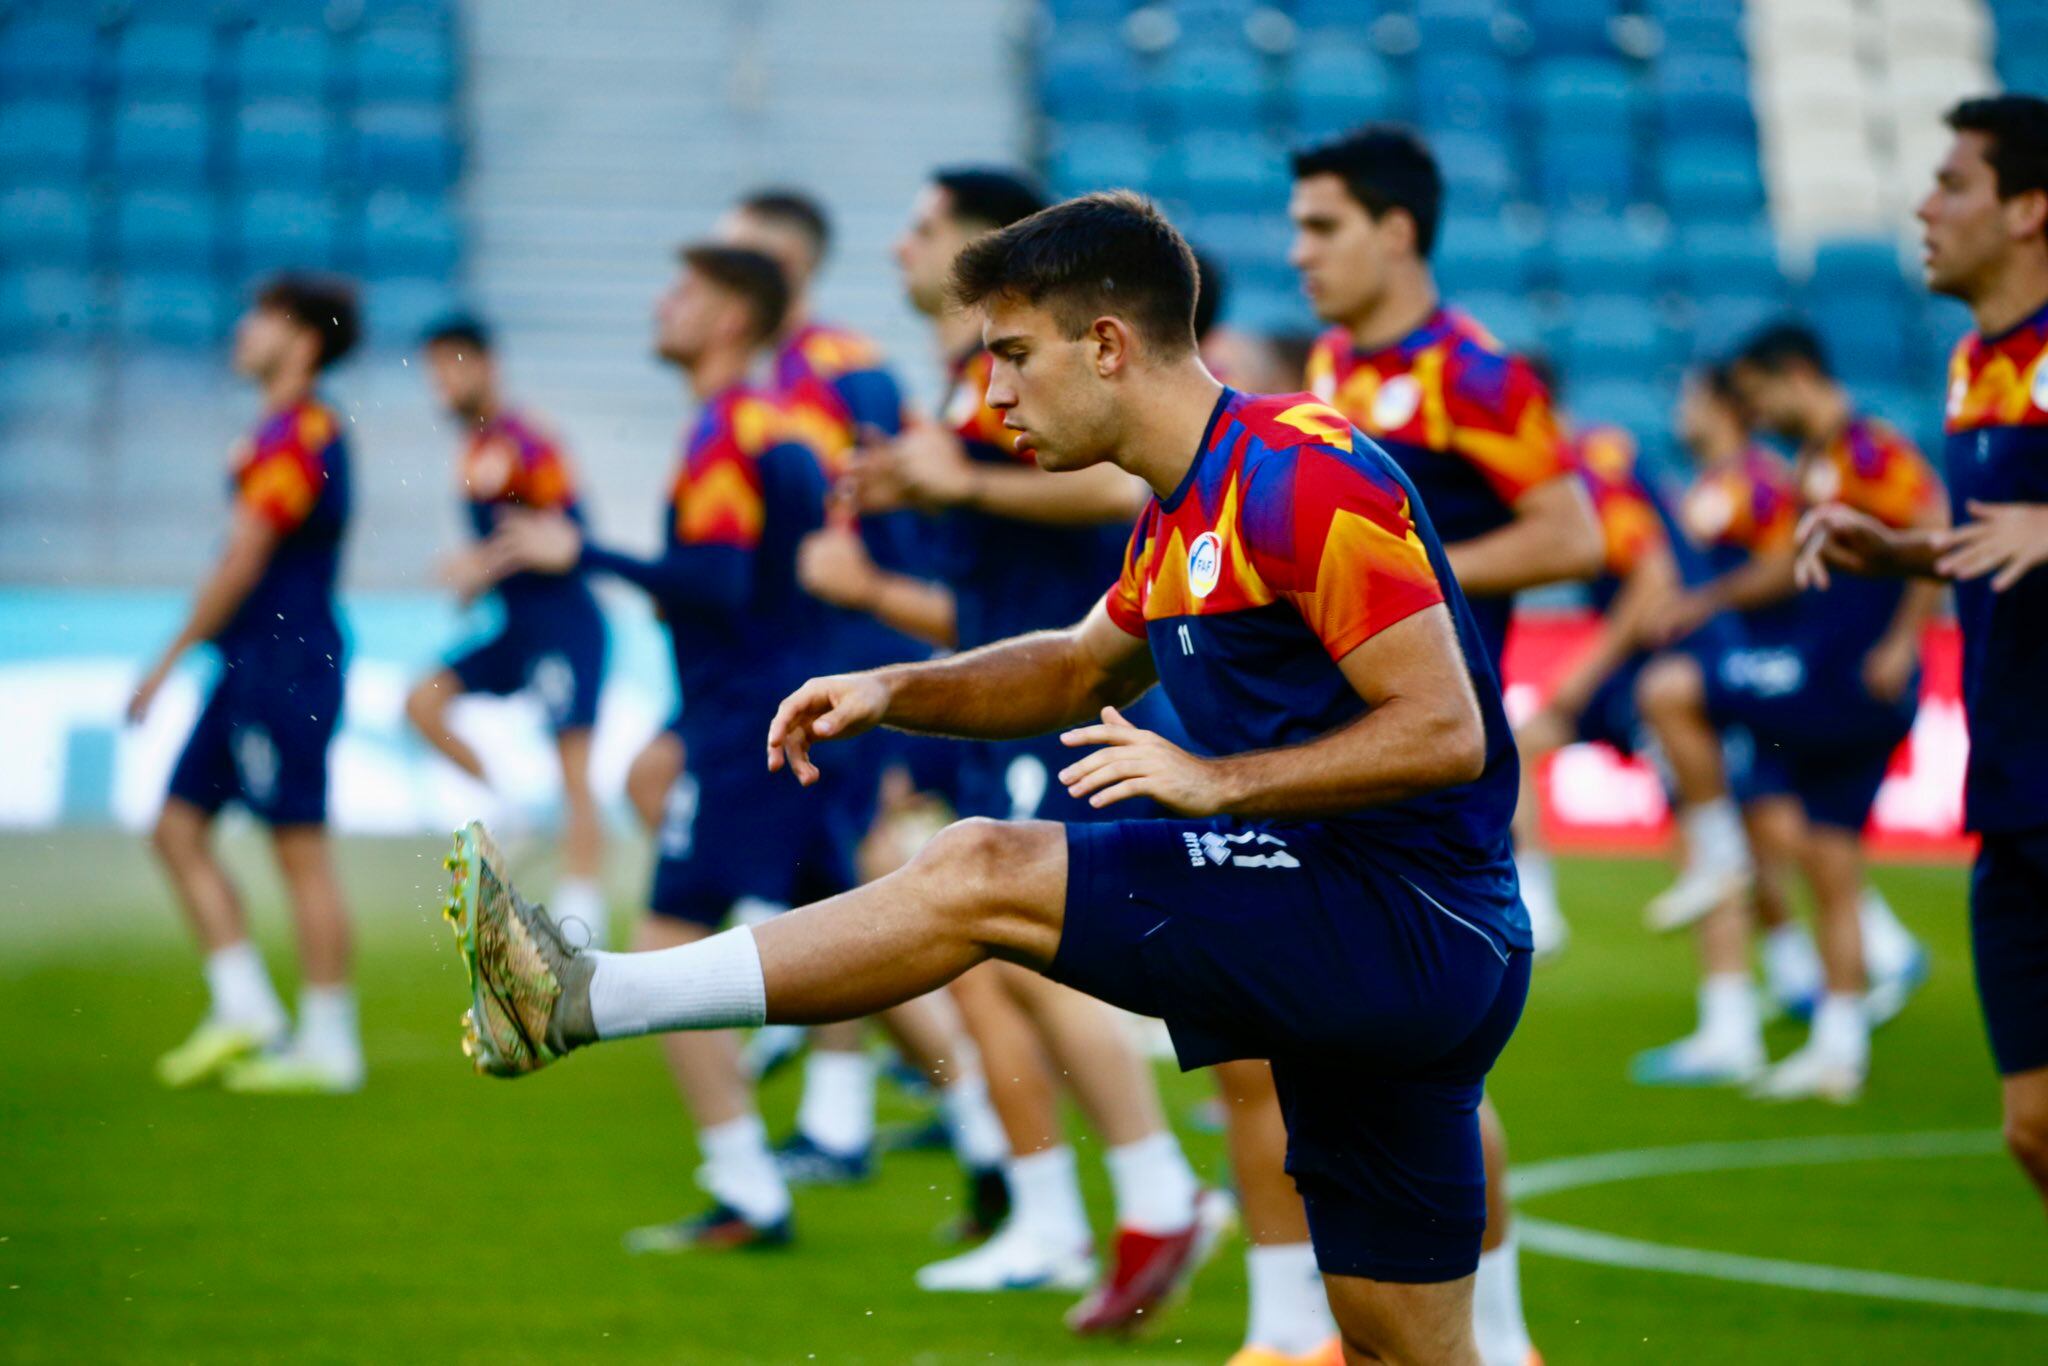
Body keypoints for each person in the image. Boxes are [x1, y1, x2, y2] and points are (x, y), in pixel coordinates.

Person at [447, 190, 1530, 1366]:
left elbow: (1443, 730)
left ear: (1105, 344)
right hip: (1382, 934)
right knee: (1393, 1340)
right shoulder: (1184, 504)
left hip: (1402, 917)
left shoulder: (1297, 472)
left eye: (1013, 354)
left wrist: (1222, 784)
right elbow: (1072, 667)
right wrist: (896, 689)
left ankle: (581, 997)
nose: (994, 392)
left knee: (978, 867)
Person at [806, 167, 1218, 1332]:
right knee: (982, 952)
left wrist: (926, 515)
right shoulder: (967, 384)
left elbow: (1127, 496)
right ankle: (1045, 1208)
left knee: (1043, 951)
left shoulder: (1078, 380)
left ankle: (1156, 1187)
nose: (901, 249)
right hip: (993, 688)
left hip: (1067, 685)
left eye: (922, 227)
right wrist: (912, 495)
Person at [1292, 123, 1602, 1366]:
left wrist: (1384, 580)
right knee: (1337, 1059)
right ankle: (1369, 1329)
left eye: (1321, 226)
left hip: (1425, 761)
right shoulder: (1330, 363)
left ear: (1396, 231)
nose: (1298, 251)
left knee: (1423, 1076)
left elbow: (1572, 533)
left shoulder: (1477, 374)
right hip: (1338, 750)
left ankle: (1496, 1337)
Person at [489, 245, 838, 1249]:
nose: (660, 300)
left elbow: (716, 584)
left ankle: (748, 1188)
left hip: (745, 724)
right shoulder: (764, 424)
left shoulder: (729, 428)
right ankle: (995, 1156)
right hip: (770, 707)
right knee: (864, 918)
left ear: (731, 317)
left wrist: (582, 553)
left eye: (682, 292)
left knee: (663, 939)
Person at [712, 189, 1012, 1231]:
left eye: (732, 257)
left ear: (783, 267)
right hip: (819, 650)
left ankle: (983, 1133)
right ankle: (874, 1118)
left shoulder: (843, 370)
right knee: (839, 888)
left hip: (869, 652)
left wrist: (896, 639)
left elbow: (918, 529)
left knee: (872, 894)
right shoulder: (779, 377)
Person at [1797, 93, 2048, 1206]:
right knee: (2033, 1129)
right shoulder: (1972, 365)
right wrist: (1898, 552)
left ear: (2028, 208)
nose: (1922, 204)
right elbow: (1998, 545)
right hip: (2012, 783)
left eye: (1952, 182)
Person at [1636, 322, 1945, 1103]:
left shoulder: (1867, 453)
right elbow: (1785, 565)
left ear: (1797, 374)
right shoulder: (1814, 463)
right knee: (1825, 858)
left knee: (1670, 689)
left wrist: (1906, 641)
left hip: (1839, 681)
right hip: (1813, 676)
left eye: (1761, 391)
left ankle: (1717, 856)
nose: (1756, 410)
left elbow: (1931, 525)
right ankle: (1839, 1044)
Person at [130, 274, 365, 1094]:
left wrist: (164, 662)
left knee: (298, 849)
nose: (242, 329)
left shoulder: (301, 432)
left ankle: (331, 1045)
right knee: (175, 827)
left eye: (261, 317)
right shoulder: (277, 429)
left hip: (284, 667)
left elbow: (244, 556)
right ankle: (245, 1008)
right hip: (250, 667)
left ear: (301, 340)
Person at [404, 315, 610, 947]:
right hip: (518, 627)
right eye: (433, 368)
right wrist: (480, 576)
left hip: (563, 625)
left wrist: (481, 566)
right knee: (422, 703)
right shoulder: (476, 449)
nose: (441, 381)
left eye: (451, 365)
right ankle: (511, 812)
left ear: (486, 365)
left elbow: (564, 535)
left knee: (573, 767)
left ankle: (582, 917)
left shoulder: (528, 440)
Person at [1507, 374, 1683, 965]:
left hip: (1670, 664)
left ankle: (1850, 952)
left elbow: (1655, 575)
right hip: (1650, 659)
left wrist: (1584, 670)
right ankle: (1536, 903)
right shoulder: (1600, 459)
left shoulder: (1588, 469)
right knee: (1522, 745)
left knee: (1725, 834)